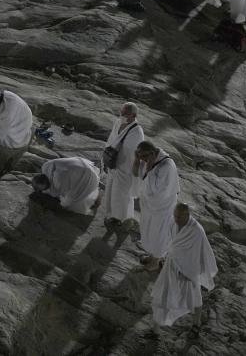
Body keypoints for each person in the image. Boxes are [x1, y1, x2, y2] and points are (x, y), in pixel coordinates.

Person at [151, 203, 218, 328]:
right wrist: (164, 258)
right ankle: (155, 330)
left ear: (187, 215)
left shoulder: (197, 231)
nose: (176, 220)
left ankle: (196, 325)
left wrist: (189, 272)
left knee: (194, 298)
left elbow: (200, 254)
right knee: (162, 295)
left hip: (188, 271)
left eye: (179, 217)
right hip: (171, 266)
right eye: (175, 216)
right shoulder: (173, 223)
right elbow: (171, 244)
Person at [134, 141, 180, 269]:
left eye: (144, 156)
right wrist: (138, 161)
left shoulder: (167, 165)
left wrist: (149, 169)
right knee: (149, 230)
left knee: (160, 232)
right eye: (140, 156)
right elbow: (137, 175)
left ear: (153, 153)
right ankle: (153, 255)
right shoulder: (150, 159)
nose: (142, 159)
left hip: (163, 206)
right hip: (151, 205)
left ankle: (156, 261)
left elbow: (160, 190)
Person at [100, 102, 145, 227]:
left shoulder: (137, 131)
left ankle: (119, 219)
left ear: (134, 115)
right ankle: (110, 214)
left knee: (121, 195)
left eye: (125, 113)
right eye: (121, 112)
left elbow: (134, 152)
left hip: (125, 168)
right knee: (109, 191)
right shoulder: (118, 122)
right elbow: (111, 140)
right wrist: (106, 159)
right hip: (113, 164)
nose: (122, 115)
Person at [32, 157, 101, 215]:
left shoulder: (58, 182)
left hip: (88, 178)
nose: (42, 191)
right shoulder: (46, 166)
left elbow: (61, 197)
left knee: (70, 206)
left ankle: (95, 200)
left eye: (42, 189)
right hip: (83, 164)